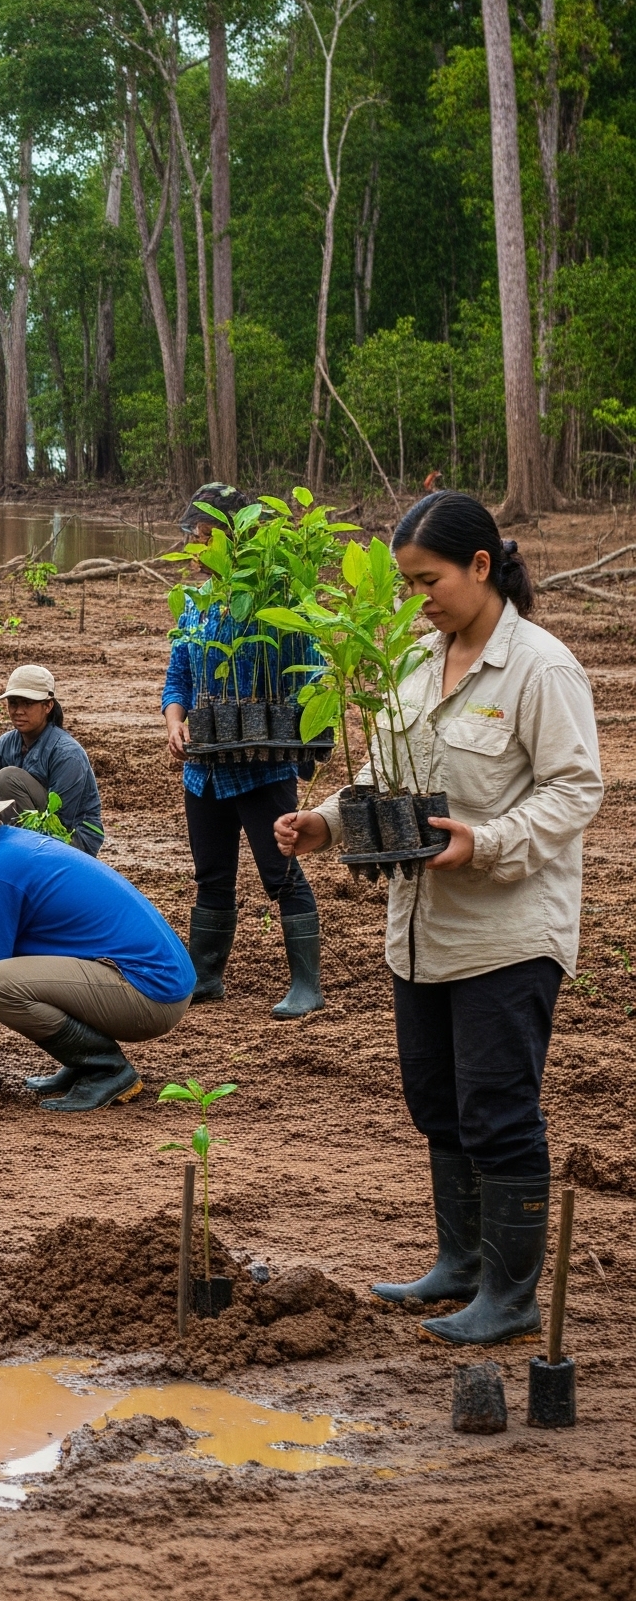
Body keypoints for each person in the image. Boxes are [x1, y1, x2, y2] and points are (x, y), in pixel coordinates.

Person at [276, 493, 600, 1346]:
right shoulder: (415, 663)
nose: (419, 599)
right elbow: (384, 782)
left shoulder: (541, 668)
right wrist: (326, 823)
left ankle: (510, 1294)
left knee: (498, 1108)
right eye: (407, 585)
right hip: (420, 930)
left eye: (430, 581)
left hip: (508, 928)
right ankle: (459, 1264)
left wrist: (486, 843)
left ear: (482, 567)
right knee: (437, 1102)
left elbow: (577, 791)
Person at [0, 768, 193, 1112]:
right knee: (7, 971)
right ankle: (84, 1063)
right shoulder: (13, 847)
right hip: (158, 980)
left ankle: (105, 1069)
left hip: (151, 995)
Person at [163, 483, 327, 1020]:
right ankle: (206, 976)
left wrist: (302, 733)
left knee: (280, 873)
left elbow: (313, 669)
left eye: (204, 537)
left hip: (261, 766)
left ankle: (307, 983)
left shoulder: (271, 598)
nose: (194, 548)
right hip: (204, 771)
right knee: (211, 875)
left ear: (237, 540)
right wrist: (174, 720)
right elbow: (178, 677)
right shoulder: (192, 604)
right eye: (192, 537)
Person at [0, 664, 106, 855]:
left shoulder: (66, 753)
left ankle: (24, 854)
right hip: (32, 831)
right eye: (13, 703)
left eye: (27, 704)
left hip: (73, 838)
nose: (18, 711)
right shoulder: (4, 744)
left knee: (7, 779)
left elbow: (62, 820)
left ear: (48, 706)